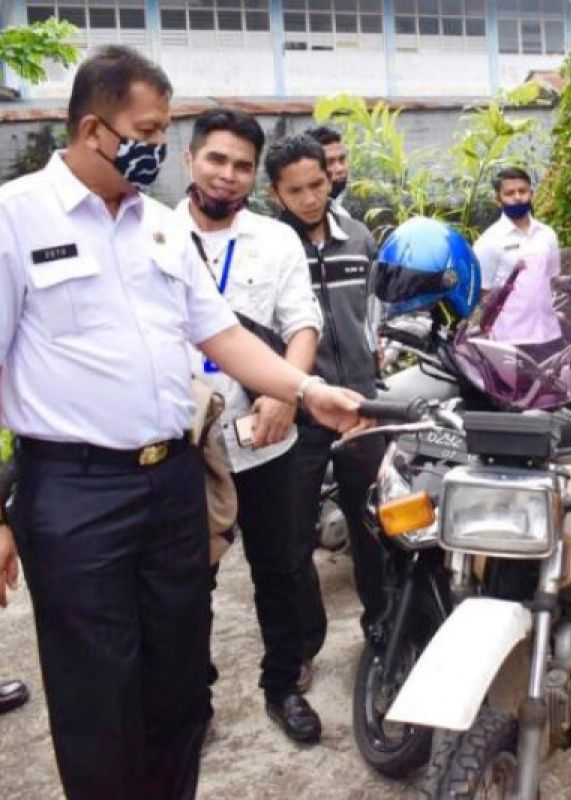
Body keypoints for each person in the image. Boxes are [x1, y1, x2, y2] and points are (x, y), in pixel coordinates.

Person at [0, 46, 362, 799]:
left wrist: (305, 389)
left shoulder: (158, 229)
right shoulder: (16, 218)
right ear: (94, 128)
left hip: (172, 483)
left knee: (176, 686)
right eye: (149, 130)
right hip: (74, 491)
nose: (157, 148)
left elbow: (222, 335)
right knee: (97, 692)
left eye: (164, 132)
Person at [175, 108, 326, 743]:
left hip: (265, 436)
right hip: (182, 445)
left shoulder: (275, 239)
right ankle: (190, 699)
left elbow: (301, 324)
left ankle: (283, 684)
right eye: (217, 159)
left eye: (242, 165)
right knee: (183, 579)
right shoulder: (150, 235)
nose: (228, 176)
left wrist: (287, 393)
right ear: (189, 160)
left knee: (284, 566)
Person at [264, 135, 386, 665]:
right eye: (297, 190)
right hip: (296, 411)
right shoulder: (266, 248)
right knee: (292, 542)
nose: (311, 198)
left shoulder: (358, 237)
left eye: (318, 184)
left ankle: (383, 633)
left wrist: (374, 361)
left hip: (361, 407)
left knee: (376, 529)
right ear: (275, 193)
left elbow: (371, 309)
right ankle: (300, 654)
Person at [472, 166, 563, 362]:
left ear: (531, 193)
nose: (518, 197)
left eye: (522, 191)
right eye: (510, 193)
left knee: (553, 391)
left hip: (549, 335)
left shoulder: (547, 235)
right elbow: (482, 295)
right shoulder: (488, 242)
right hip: (509, 341)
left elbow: (552, 280)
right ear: (498, 200)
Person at [304, 125, 350, 219]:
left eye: (342, 159)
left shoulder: (341, 214)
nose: (340, 169)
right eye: (329, 162)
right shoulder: (304, 218)